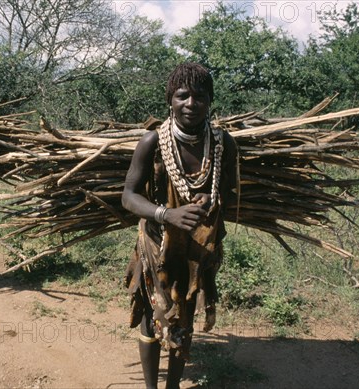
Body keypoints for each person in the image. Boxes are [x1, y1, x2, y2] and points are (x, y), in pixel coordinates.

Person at [121, 63, 238, 388]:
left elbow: (226, 193)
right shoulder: (153, 142)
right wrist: (165, 214)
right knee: (153, 314)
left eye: (199, 96)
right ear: (170, 100)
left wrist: (207, 206)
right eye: (182, 95)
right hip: (156, 244)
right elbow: (128, 196)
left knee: (183, 316)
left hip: (198, 247)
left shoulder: (222, 144)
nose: (191, 103)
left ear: (210, 100)